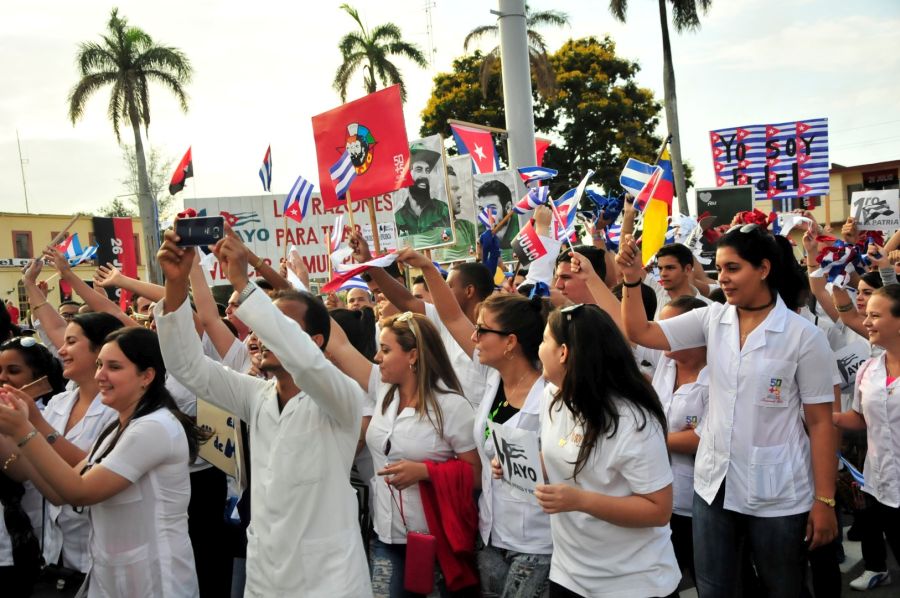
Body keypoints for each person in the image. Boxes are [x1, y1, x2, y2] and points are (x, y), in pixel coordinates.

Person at [618, 226, 838, 597]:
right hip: (713, 486)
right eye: (719, 269)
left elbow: (820, 423)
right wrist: (630, 281)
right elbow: (641, 331)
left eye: (733, 268)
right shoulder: (711, 320)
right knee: (715, 588)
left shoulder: (803, 336)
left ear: (764, 269)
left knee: (783, 588)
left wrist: (825, 501)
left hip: (779, 492)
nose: (723, 279)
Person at [154, 225, 372, 596]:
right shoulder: (256, 395)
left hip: (329, 579)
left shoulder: (343, 396)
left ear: (315, 341)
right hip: (265, 576)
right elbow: (188, 368)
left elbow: (305, 364)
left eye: (279, 324)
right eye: (262, 323)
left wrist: (243, 282)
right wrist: (176, 287)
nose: (259, 335)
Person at [0, 326, 205, 597]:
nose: (100, 376)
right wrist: (17, 433)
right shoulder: (118, 428)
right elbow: (58, 493)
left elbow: (80, 492)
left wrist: (25, 430)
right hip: (110, 578)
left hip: (153, 580)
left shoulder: (154, 427)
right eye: (99, 365)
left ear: (147, 376)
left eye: (114, 367)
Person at [410, 248, 553, 598]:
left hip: (538, 540)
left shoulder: (552, 394)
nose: (473, 339)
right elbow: (451, 317)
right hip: (490, 533)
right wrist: (428, 267)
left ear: (510, 343)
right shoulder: (492, 378)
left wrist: (536, 464)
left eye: (482, 331)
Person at [326, 307, 480, 596]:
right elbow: (339, 345)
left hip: (435, 541)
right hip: (385, 535)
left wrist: (425, 472)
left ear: (413, 355)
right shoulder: (382, 389)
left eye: (385, 349)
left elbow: (477, 475)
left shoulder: (451, 406)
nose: (377, 358)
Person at [536, 304, 680, 597]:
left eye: (543, 341)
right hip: (569, 575)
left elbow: (658, 509)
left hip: (632, 583)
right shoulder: (552, 396)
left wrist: (581, 501)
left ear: (563, 353)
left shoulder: (634, 421)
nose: (538, 349)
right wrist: (519, 462)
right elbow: (559, 455)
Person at [833, 285, 900, 592]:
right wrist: (826, 419)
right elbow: (859, 418)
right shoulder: (869, 369)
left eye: (875, 315)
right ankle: (877, 568)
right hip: (878, 476)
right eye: (867, 314)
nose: (867, 322)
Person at [0, 336, 66, 597]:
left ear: (38, 375)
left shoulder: (49, 416)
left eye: (13, 371)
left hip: (27, 546)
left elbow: (18, 470)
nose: (3, 378)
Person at [650, 296, 709, 584]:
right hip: (661, 495)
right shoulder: (666, 361)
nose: (661, 333)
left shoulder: (719, 373)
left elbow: (704, 438)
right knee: (664, 577)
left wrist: (649, 439)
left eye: (670, 327)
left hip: (703, 500)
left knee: (713, 578)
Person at [394, 144, 451, 238]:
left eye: (427, 170)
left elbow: (450, 242)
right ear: (407, 176)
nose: (424, 175)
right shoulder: (398, 218)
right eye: (419, 170)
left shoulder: (442, 210)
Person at [642, 244, 712, 318]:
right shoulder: (656, 293)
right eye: (660, 268)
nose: (663, 274)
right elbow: (632, 271)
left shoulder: (708, 308)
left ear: (687, 269)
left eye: (670, 268)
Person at [476, 180, 517, 250]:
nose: (486, 217)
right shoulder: (478, 232)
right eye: (482, 209)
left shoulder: (523, 226)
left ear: (508, 207)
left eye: (492, 208)